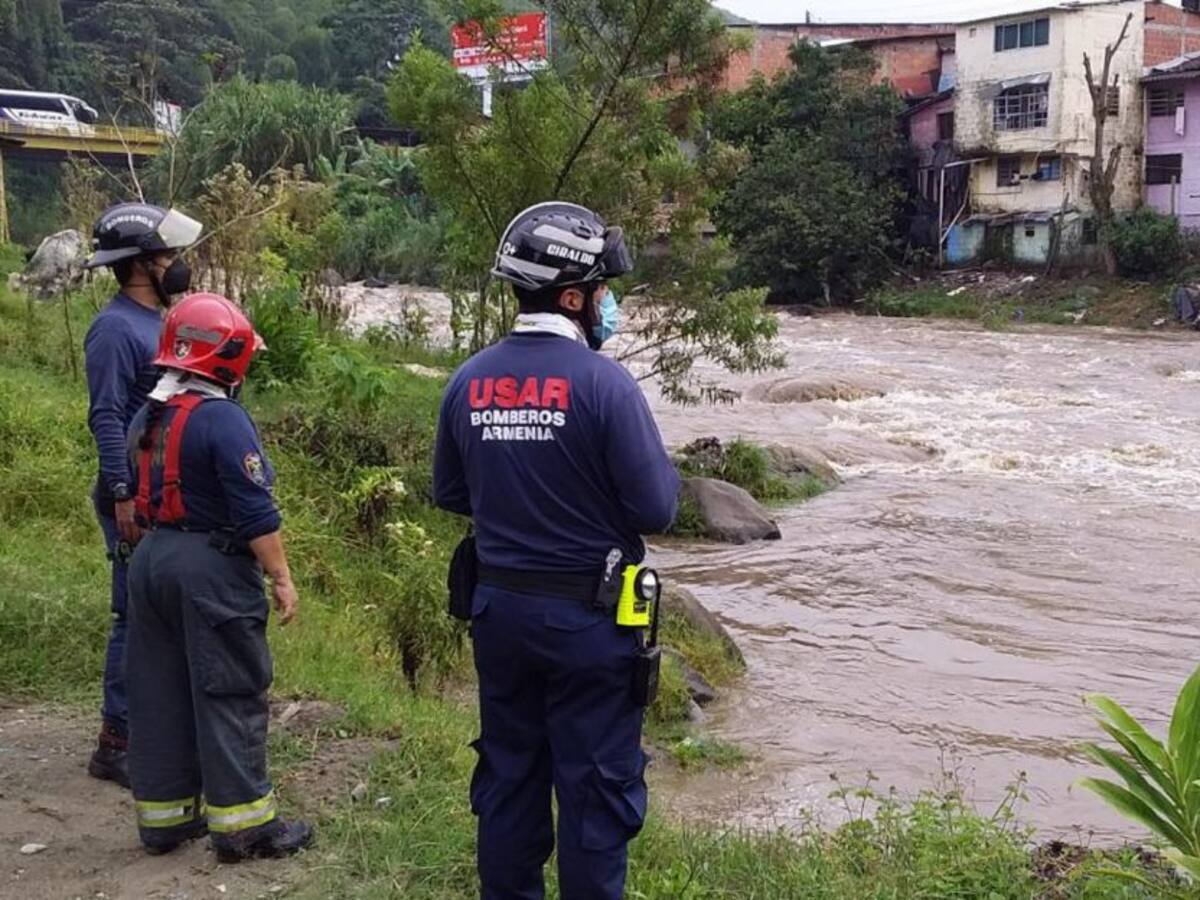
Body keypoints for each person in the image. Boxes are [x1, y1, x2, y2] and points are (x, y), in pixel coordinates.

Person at [433, 202, 681, 900]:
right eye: (603, 291)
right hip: (590, 624)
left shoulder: (467, 380)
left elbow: (452, 492)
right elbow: (657, 508)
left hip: (499, 614)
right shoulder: (606, 385)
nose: (609, 304)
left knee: (509, 776)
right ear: (573, 297)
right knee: (596, 789)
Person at [123, 292, 312, 861]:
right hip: (209, 567)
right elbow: (256, 514)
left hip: (150, 562)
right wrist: (281, 576)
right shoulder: (223, 420)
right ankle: (244, 827)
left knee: (158, 691)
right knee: (229, 687)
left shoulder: (148, 413)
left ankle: (165, 819)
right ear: (228, 358)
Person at [82, 202, 204, 787]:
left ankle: (153, 726)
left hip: (162, 496)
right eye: (167, 256)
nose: (176, 265)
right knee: (132, 614)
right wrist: (124, 491)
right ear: (139, 264)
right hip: (129, 496)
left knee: (158, 615)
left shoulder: (161, 321)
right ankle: (116, 740)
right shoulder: (114, 329)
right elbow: (106, 417)